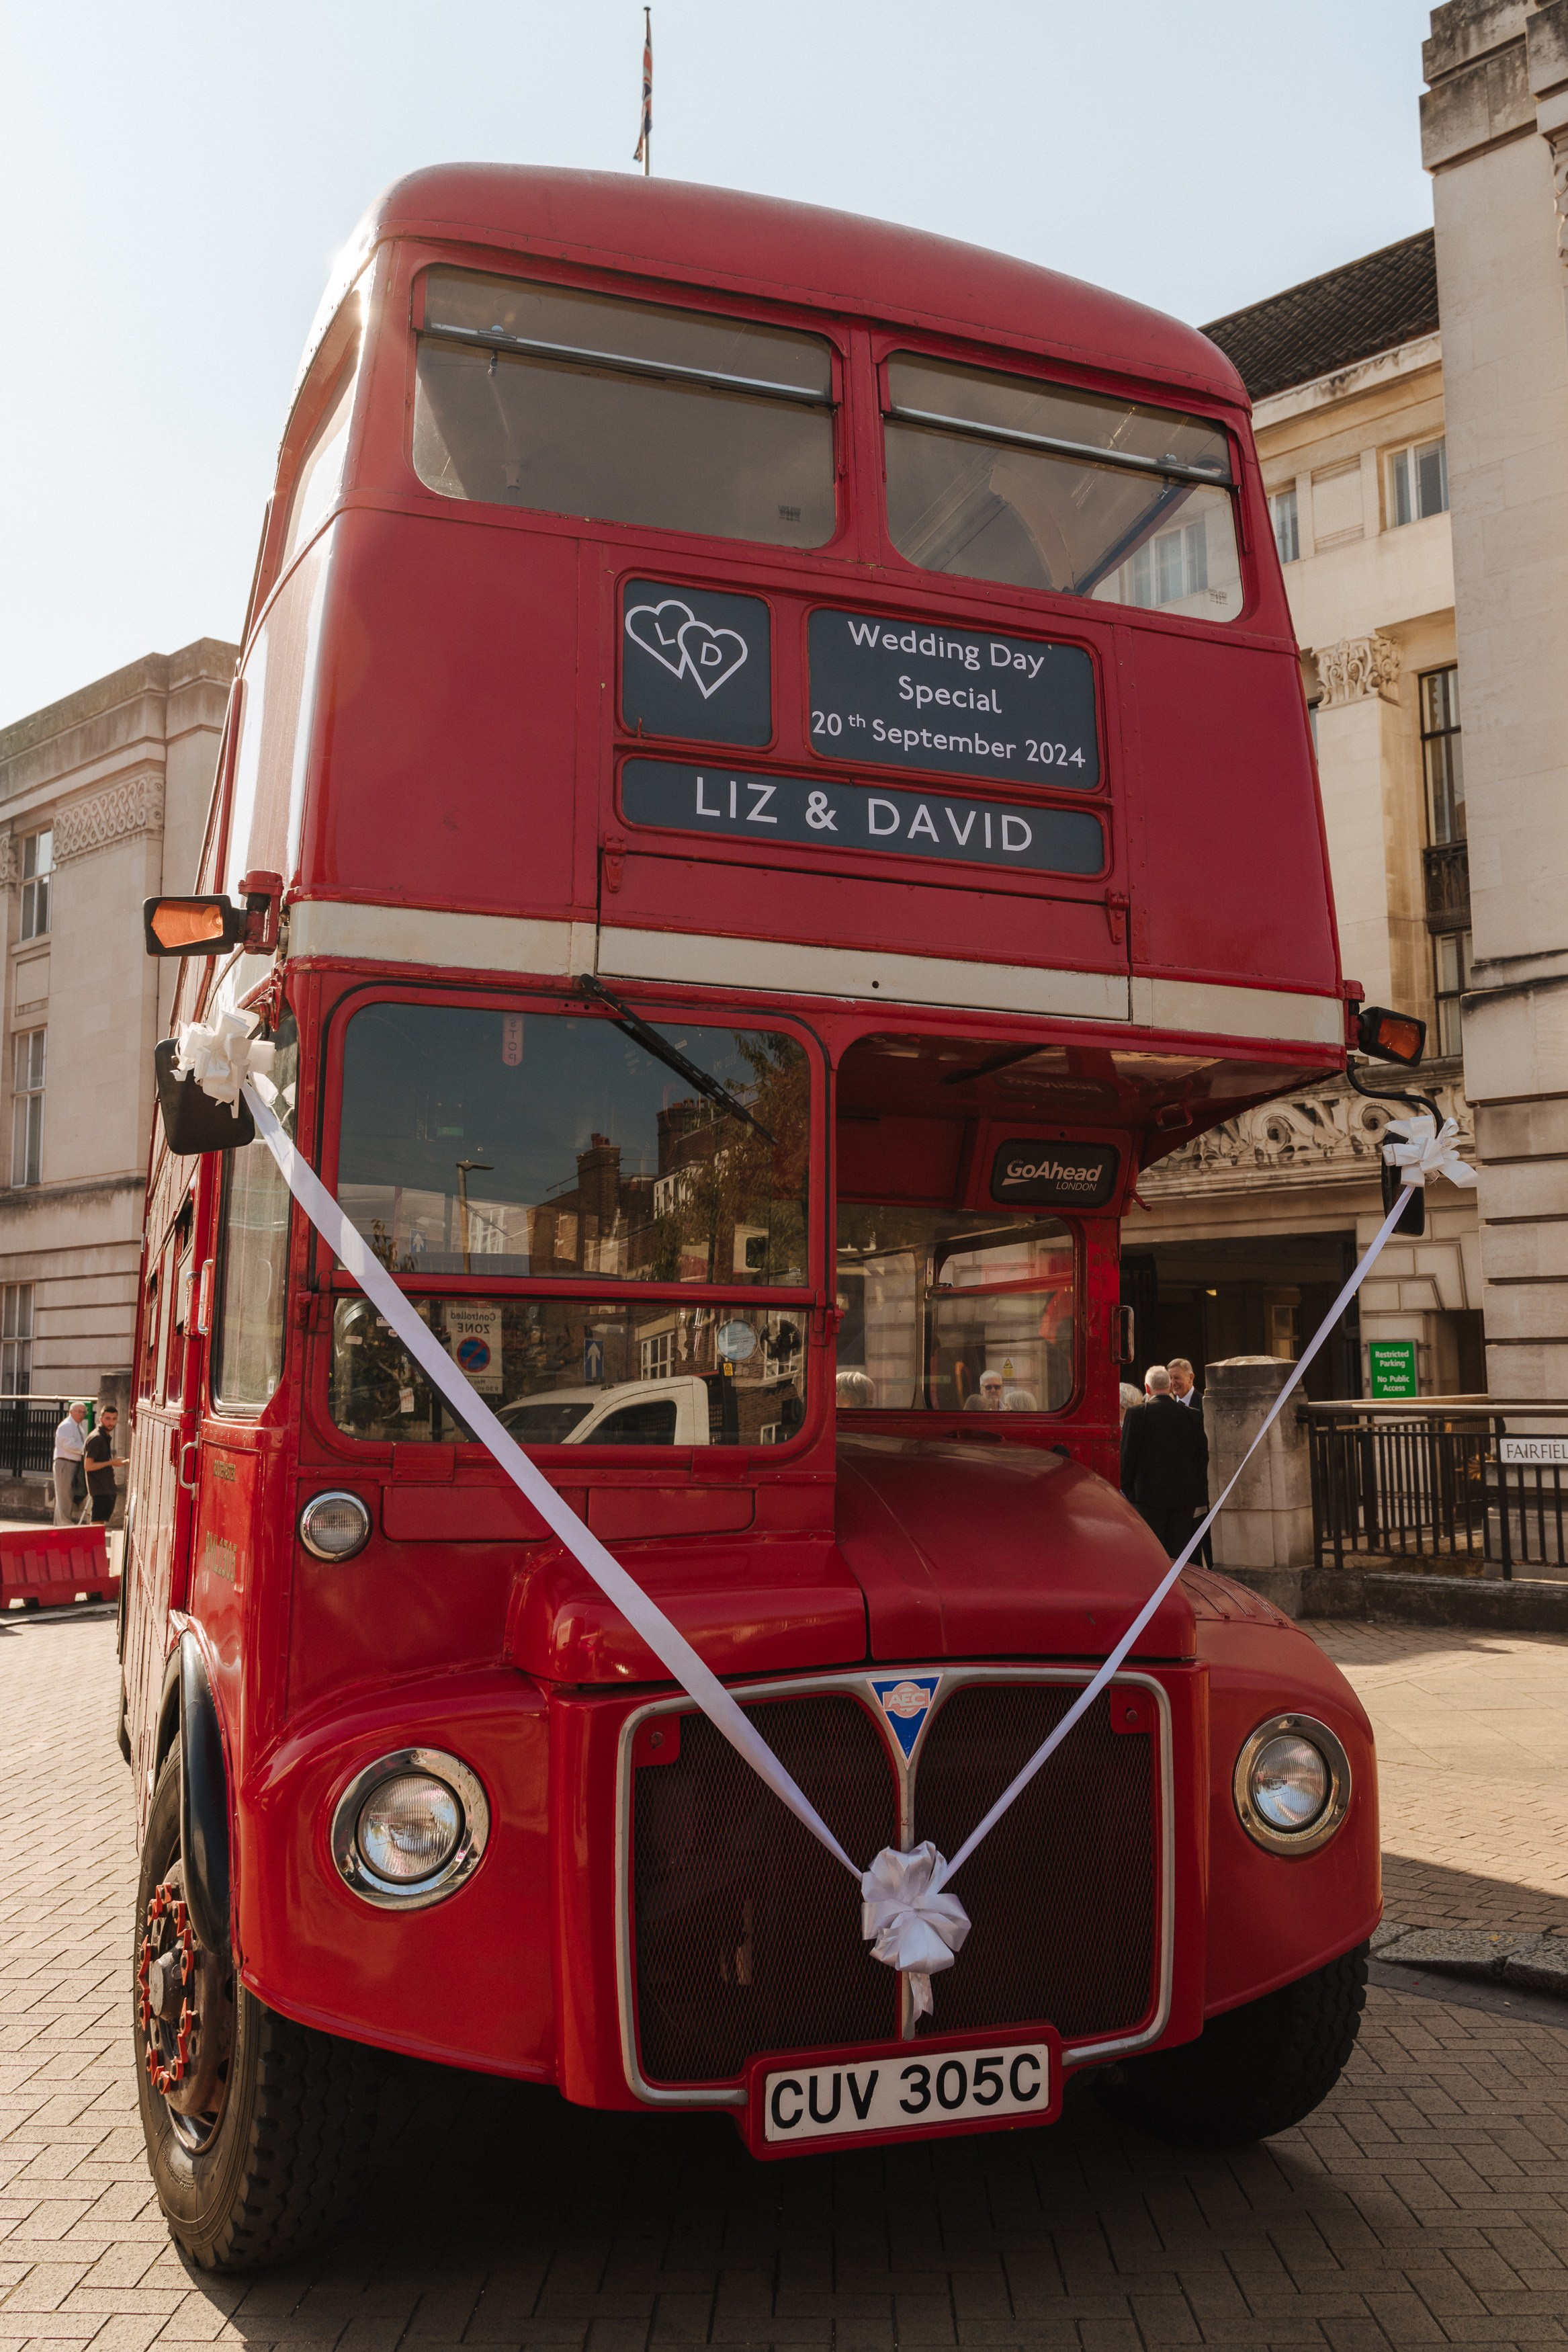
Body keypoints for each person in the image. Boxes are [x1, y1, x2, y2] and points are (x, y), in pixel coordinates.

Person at [1120, 1365, 1209, 1560]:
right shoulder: (1192, 1415)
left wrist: (1130, 1493)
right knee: (1180, 1558)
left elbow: (1127, 1457)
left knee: (1154, 1557)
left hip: (1146, 1499)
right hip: (1183, 1501)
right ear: (1170, 1387)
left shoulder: (1136, 1414)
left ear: (1147, 1388)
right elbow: (1202, 1457)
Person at [1167, 1359, 1213, 1564]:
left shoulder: (1203, 1404)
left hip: (1200, 1489)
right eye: (1170, 1378)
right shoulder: (1169, 1407)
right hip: (1179, 1492)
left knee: (1207, 1545)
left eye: (1177, 1377)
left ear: (1191, 1377)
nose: (1173, 1382)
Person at [83, 1405, 119, 1525]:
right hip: (100, 1488)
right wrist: (111, 1463)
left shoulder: (104, 1436)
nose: (111, 1422)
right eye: (108, 1418)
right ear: (100, 1419)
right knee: (96, 1526)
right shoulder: (97, 1438)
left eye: (114, 1419)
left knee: (99, 1525)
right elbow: (88, 1466)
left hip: (105, 1488)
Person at [52, 1401, 87, 1525]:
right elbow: (68, 1444)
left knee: (67, 1495)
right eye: (79, 1411)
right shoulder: (66, 1426)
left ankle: (61, 1524)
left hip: (72, 1463)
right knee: (64, 1496)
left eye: (84, 1412)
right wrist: (86, 1449)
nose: (82, 1414)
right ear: (71, 1412)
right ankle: (64, 1524)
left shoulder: (77, 1427)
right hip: (65, 1463)